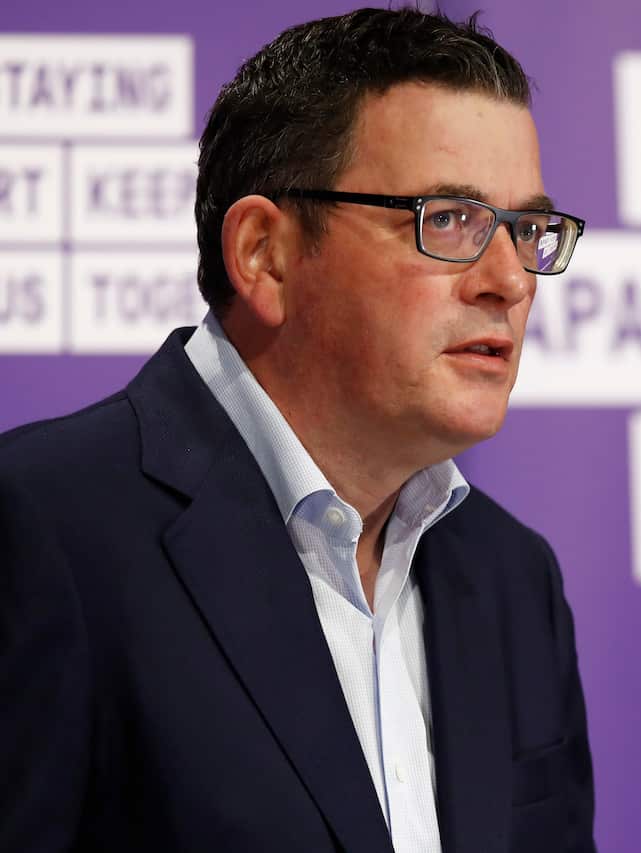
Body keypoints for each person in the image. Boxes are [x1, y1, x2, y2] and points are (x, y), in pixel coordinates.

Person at [0, 8, 594, 852]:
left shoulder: (512, 579)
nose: (509, 279)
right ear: (265, 254)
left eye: (528, 230)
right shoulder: (41, 530)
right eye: (450, 220)